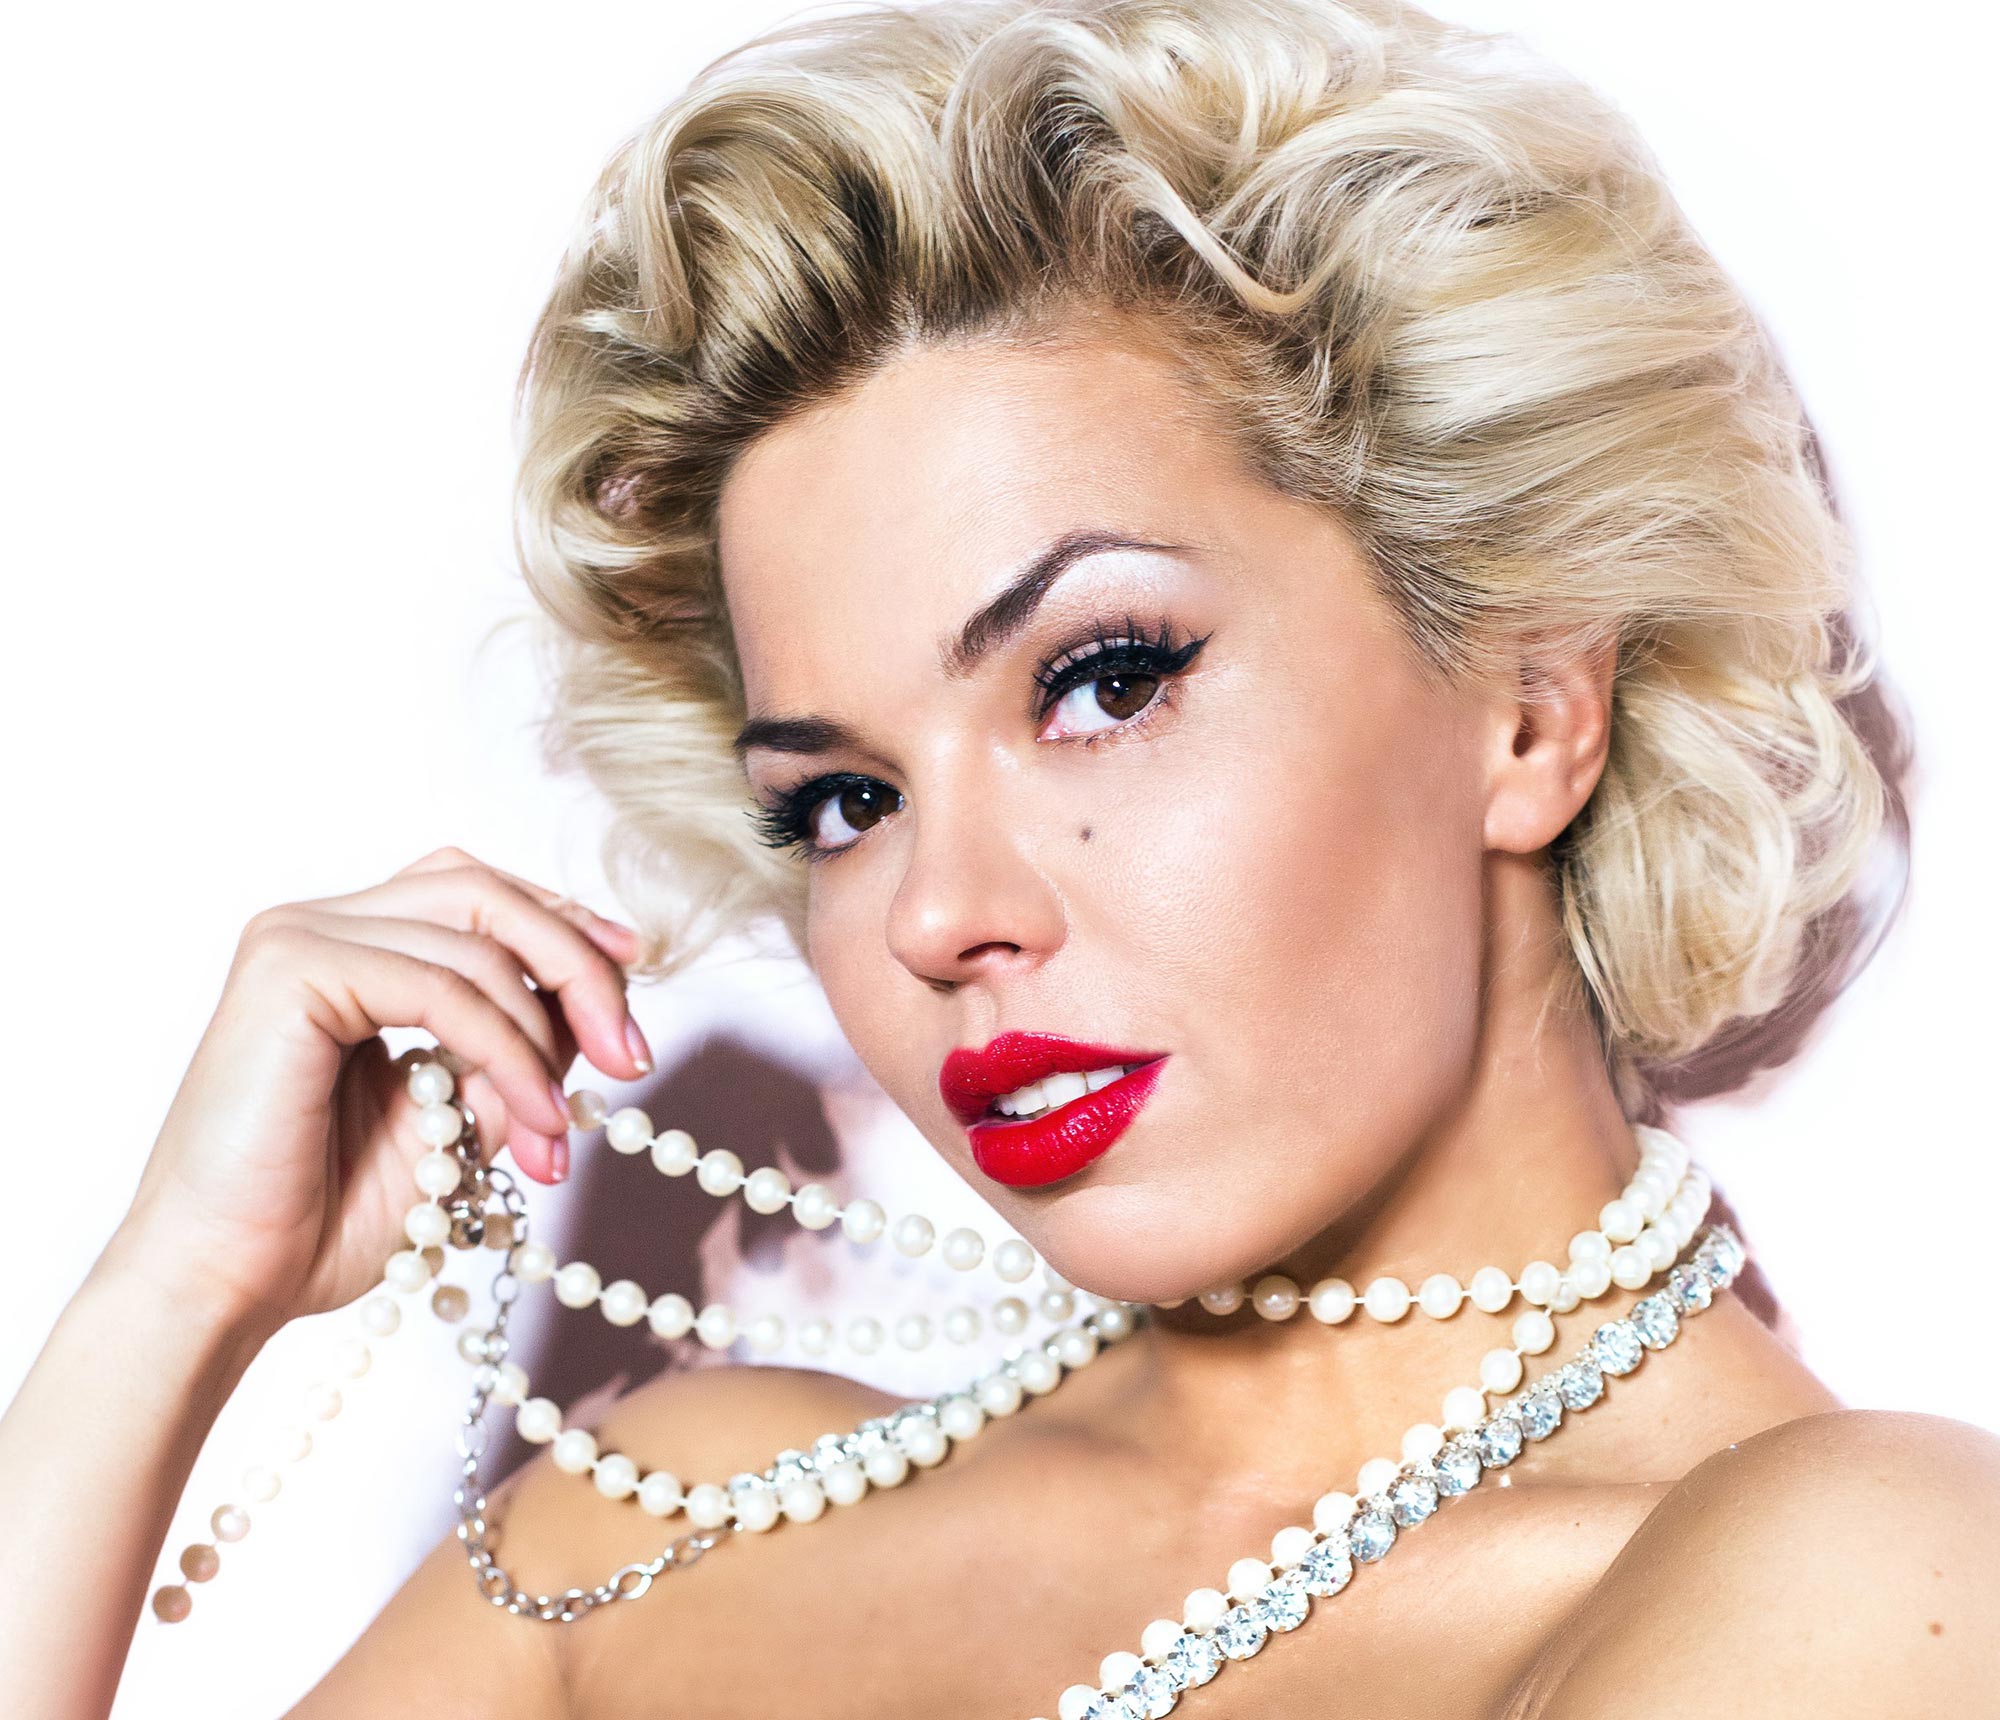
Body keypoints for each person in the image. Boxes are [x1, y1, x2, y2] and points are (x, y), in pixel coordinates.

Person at [4, 0, 1996, 1714]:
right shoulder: (657, 1527)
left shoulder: (1859, 1567)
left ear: (1531, 705)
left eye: (1104, 681)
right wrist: (170, 1296)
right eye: (843, 801)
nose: (943, 914)